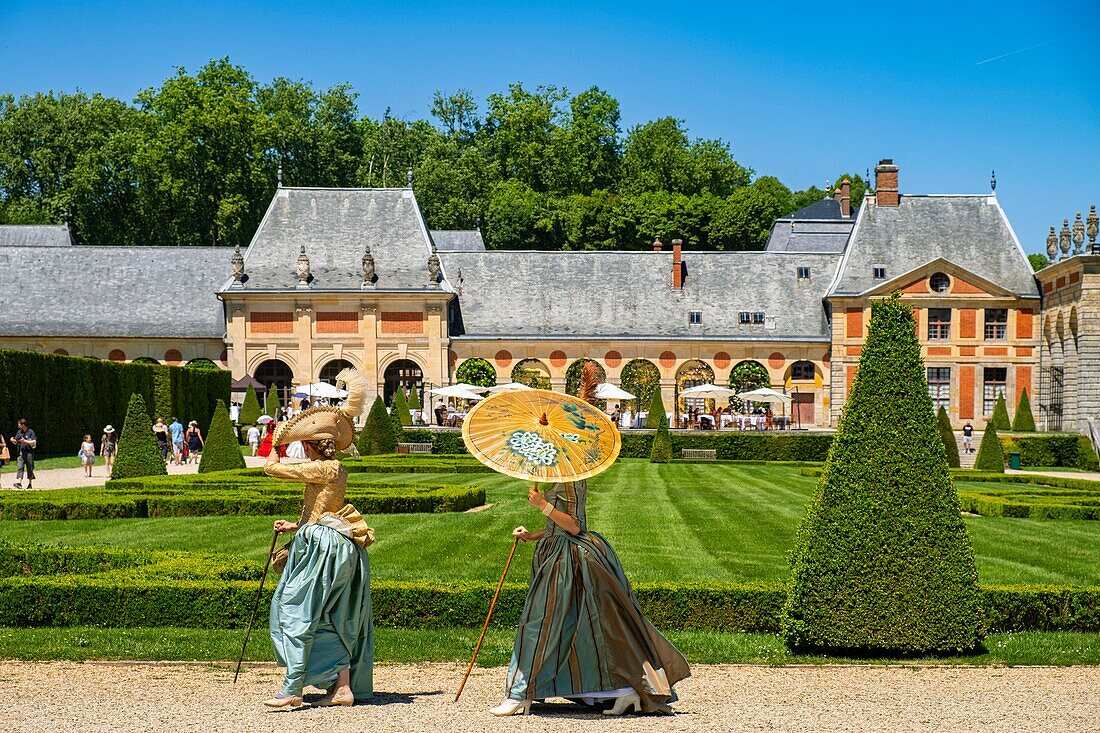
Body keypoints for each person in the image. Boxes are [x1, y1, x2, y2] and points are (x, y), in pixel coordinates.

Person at [493, 479, 690, 717]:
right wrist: (532, 535)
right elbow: (558, 525)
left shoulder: (570, 481)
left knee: (542, 623)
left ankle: (520, 694)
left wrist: (542, 505)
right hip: (558, 553)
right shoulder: (560, 479)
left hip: (569, 560)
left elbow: (574, 526)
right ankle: (624, 691)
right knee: (587, 628)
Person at [262, 367, 373, 709]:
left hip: (322, 547)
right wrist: (295, 527)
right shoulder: (336, 469)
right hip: (336, 541)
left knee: (293, 610)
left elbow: (272, 469)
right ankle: (341, 687)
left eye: (304, 445)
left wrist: (275, 443)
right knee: (326, 616)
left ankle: (293, 688)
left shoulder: (322, 468)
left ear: (311, 447)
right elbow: (322, 507)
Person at [10, 419, 37, 489]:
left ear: (23, 425)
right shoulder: (19, 432)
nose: (18, 426)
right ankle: (19, 483)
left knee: (30, 467)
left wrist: (25, 441)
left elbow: (34, 442)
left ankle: (30, 484)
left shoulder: (31, 432)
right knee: (20, 467)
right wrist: (13, 440)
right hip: (21, 452)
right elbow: (16, 441)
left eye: (19, 424)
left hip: (29, 453)